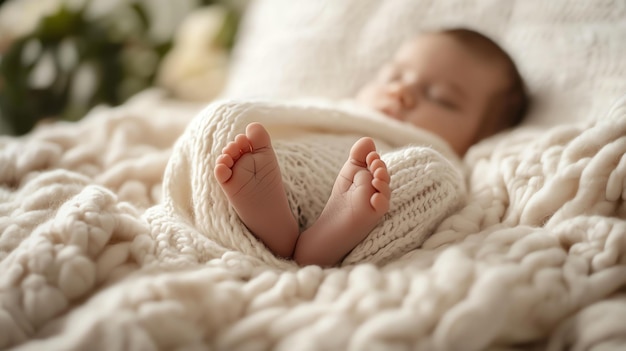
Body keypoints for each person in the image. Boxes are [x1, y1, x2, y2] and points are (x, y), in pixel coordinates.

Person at [213, 28, 528, 267]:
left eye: (440, 97)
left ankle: (325, 238)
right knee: (228, 120)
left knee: (433, 174)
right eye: (394, 75)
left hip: (373, 185)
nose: (401, 90)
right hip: (289, 166)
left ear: (477, 140)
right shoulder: (334, 109)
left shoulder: (440, 156)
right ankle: (282, 228)